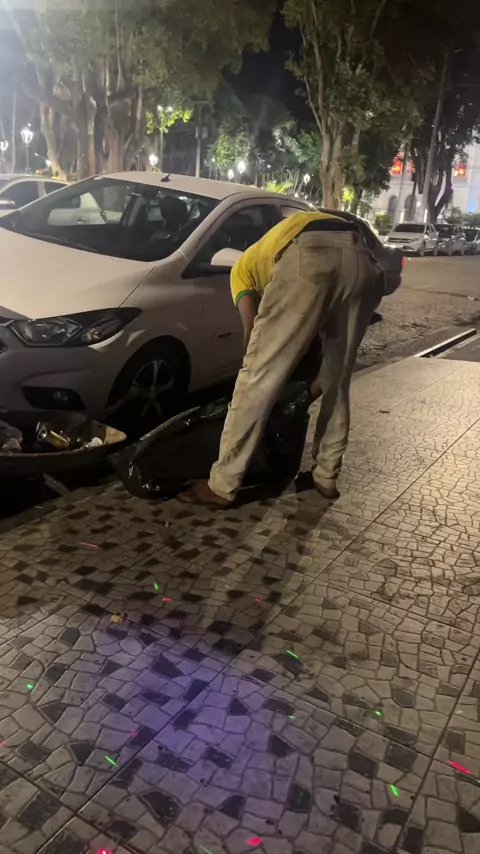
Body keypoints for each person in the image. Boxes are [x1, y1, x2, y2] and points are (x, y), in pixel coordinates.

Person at [180, 210, 384, 507]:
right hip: (363, 261)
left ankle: (222, 485)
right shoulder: (272, 244)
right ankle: (326, 475)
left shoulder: (241, 271)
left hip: (312, 254)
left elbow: (251, 334)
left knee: (256, 378)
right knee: (337, 378)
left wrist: (266, 363)